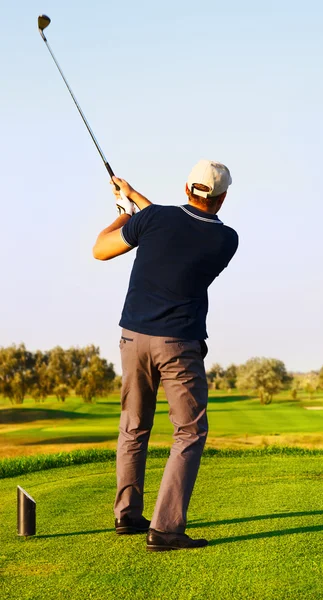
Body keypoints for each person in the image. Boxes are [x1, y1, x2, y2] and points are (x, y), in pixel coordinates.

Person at [93, 160, 238, 551]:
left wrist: (124, 214)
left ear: (186, 187)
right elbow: (178, 227)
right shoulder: (226, 240)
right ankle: (166, 530)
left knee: (134, 426)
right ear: (223, 198)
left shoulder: (153, 219)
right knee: (189, 431)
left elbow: (101, 250)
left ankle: (127, 515)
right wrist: (135, 196)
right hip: (179, 345)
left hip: (133, 339)